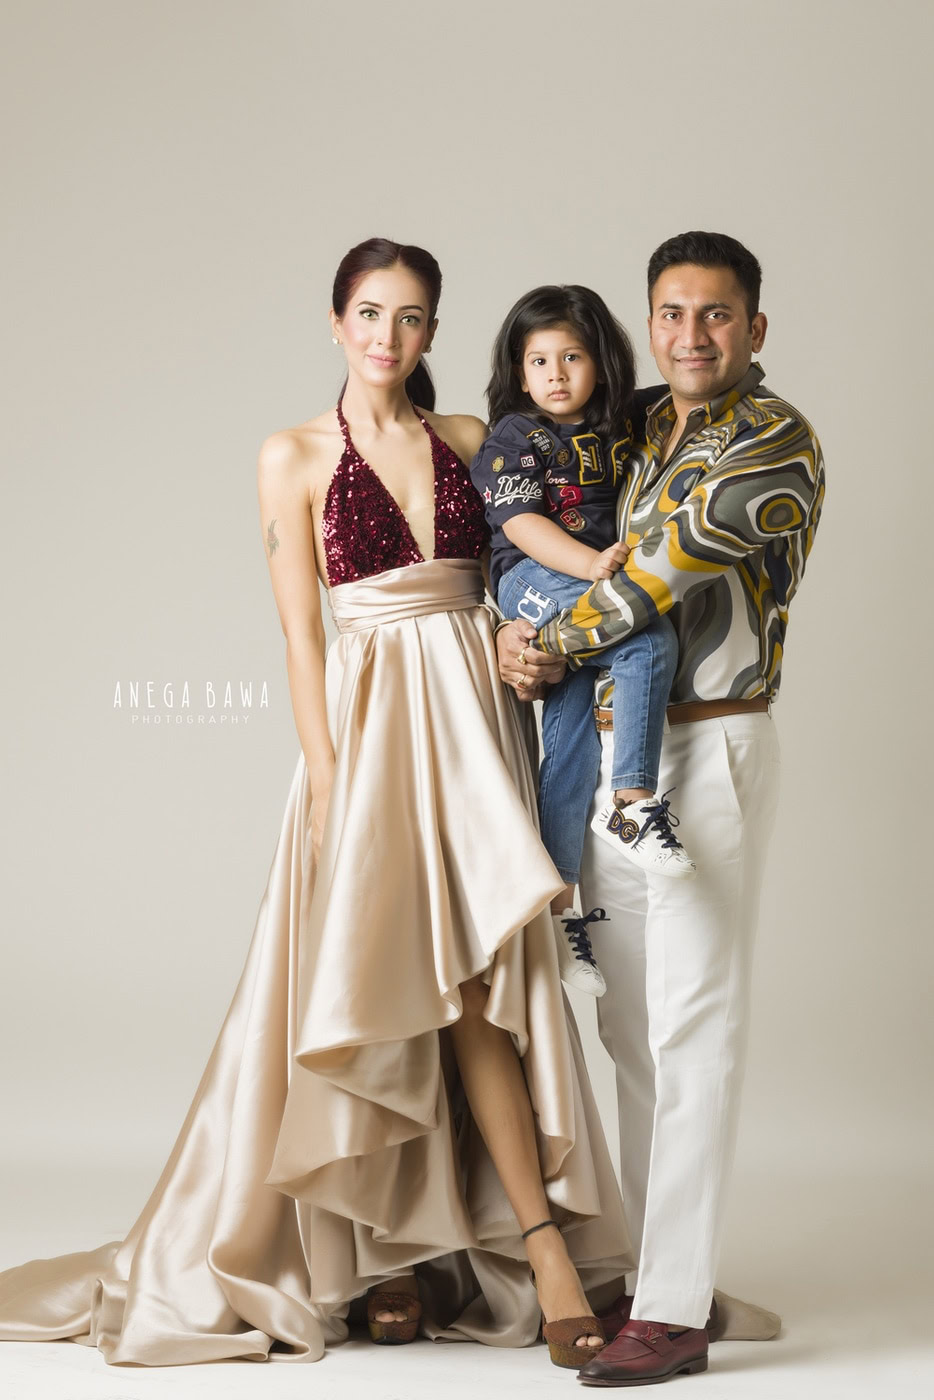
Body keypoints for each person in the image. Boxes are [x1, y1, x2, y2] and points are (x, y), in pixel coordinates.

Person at [0, 238, 634, 1369]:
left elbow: (505, 587)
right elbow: (299, 633)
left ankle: (532, 1245)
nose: (387, 337)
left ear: (433, 334)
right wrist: (333, 778)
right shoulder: (289, 455)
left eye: (410, 318)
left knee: (484, 977)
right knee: (381, 993)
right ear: (336, 322)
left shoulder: (468, 441)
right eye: (368, 314)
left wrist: (520, 646)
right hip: (371, 734)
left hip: (473, 730)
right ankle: (384, 1258)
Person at [497, 231, 825, 1386]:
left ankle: (674, 1310)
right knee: (631, 1031)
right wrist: (507, 615)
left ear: (754, 327)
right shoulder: (633, 420)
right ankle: (660, 1272)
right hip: (616, 752)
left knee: (693, 1029)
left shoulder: (774, 442)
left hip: (713, 748)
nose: (691, 336)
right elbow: (522, 485)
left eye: (716, 315)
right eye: (672, 314)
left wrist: (535, 642)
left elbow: (643, 582)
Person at [469, 285, 697, 1003]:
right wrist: (590, 568)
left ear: (601, 362)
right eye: (539, 360)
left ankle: (561, 914)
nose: (557, 373)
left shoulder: (620, 422)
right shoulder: (512, 437)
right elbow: (522, 528)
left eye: (573, 356)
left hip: (584, 582)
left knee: (566, 746)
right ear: (518, 369)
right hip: (537, 580)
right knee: (645, 637)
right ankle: (634, 800)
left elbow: (690, 391)